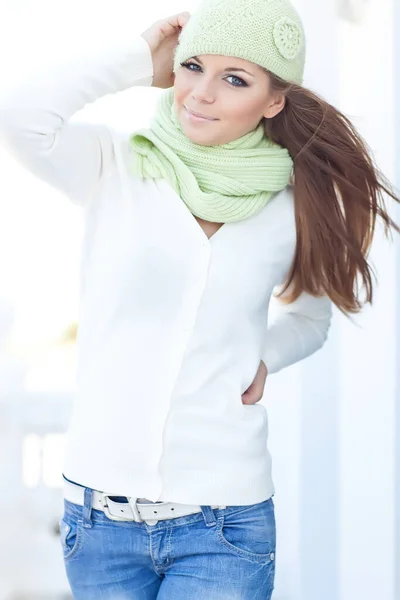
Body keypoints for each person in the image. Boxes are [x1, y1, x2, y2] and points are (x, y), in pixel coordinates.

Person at [0, 0, 399, 598]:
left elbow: (312, 318)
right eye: (192, 66)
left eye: (233, 79)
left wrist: (263, 356)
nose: (200, 93)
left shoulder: (292, 205)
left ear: (273, 101)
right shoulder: (117, 165)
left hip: (223, 524)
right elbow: (22, 115)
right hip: (100, 522)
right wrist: (138, 59)